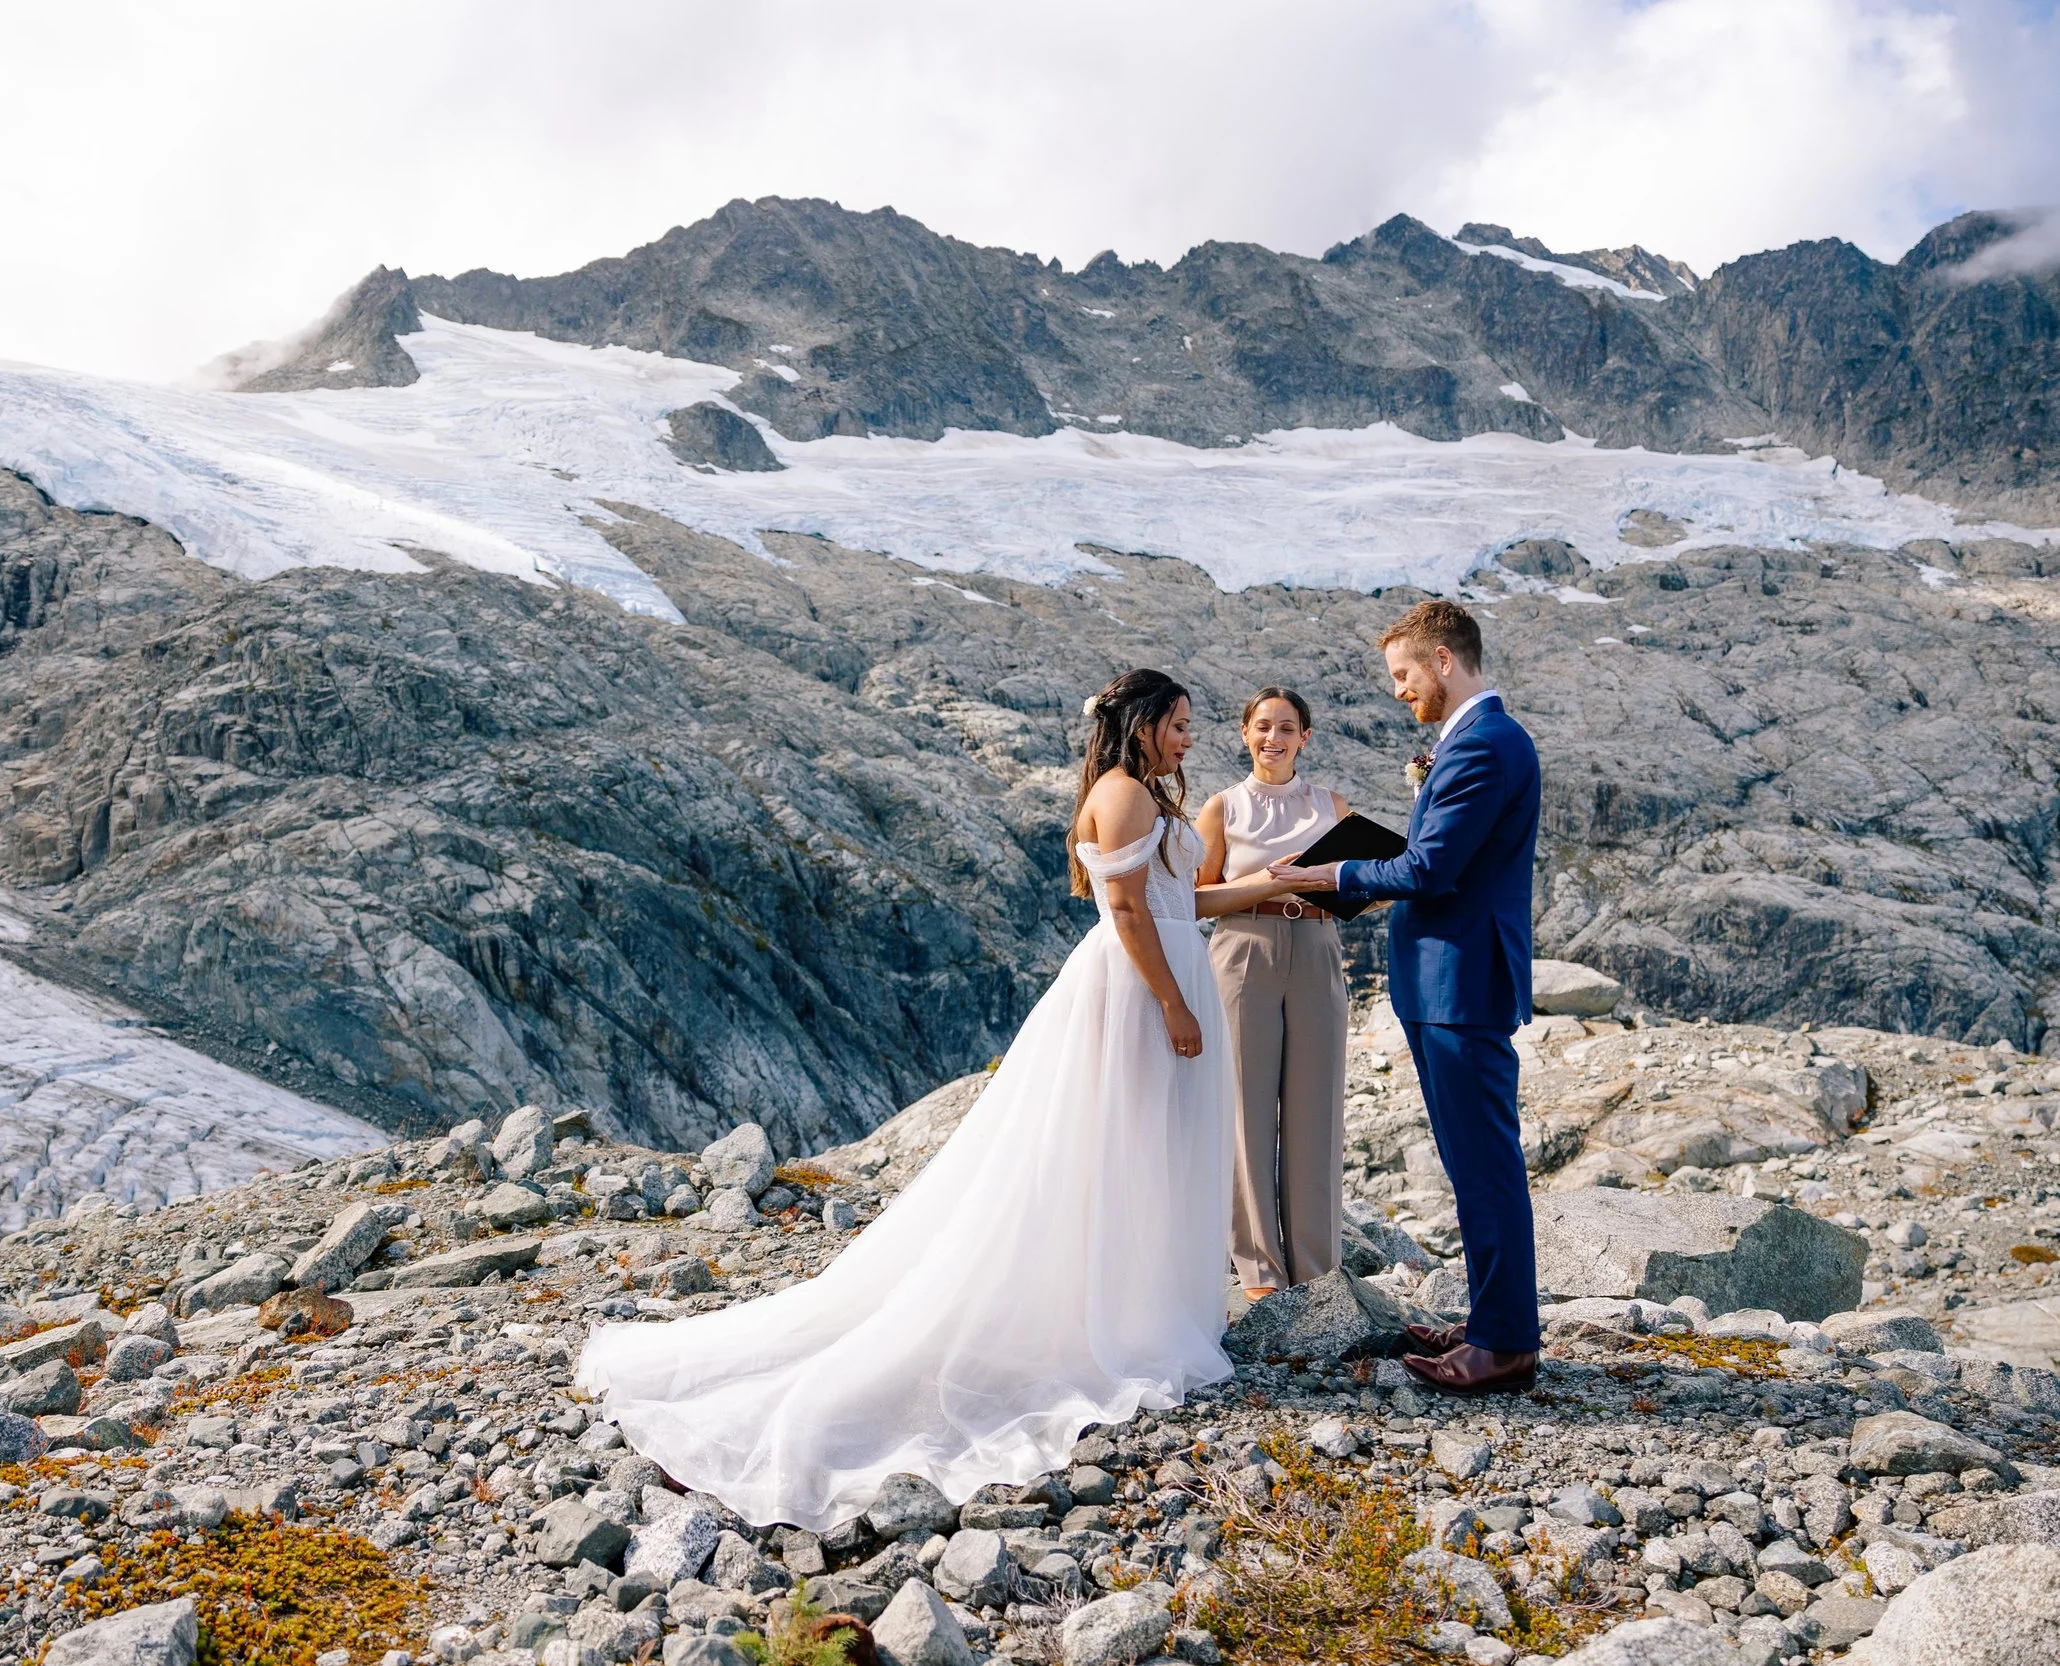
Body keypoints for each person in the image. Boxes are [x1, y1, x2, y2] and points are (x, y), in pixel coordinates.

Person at [575, 668, 1241, 1528]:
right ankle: (1103, 1318)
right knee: (1117, 1147)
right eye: (1180, 723)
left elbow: (1177, 900)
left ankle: (1135, 1303)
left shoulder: (1144, 793)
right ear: (1143, 723)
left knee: (1147, 1149)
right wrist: (1175, 1003)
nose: (1191, 737)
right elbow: (1127, 910)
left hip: (1162, 973)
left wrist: (1282, 888)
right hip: (1137, 989)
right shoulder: (1122, 796)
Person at [1271, 600, 1543, 1396]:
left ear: (1444, 662)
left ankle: (1505, 1346)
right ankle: (1496, 1321)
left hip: (1463, 984)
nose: (1398, 691)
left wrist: (1333, 875)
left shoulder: (1489, 744)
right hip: (1441, 980)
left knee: (1485, 1164)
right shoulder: (1470, 741)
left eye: (1403, 675)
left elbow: (1429, 871)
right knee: (1470, 1163)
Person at [1195, 686, 1352, 1304]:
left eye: (1286, 728)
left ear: (1304, 738)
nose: (1273, 738)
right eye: (1262, 726)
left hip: (1317, 946)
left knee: (1318, 1110)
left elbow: (1367, 883)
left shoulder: (1332, 805)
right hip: (1243, 948)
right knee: (1245, 1110)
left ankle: (1317, 1271)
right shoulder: (1223, 809)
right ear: (1244, 732)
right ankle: (1261, 1272)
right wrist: (1263, 880)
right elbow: (1196, 898)